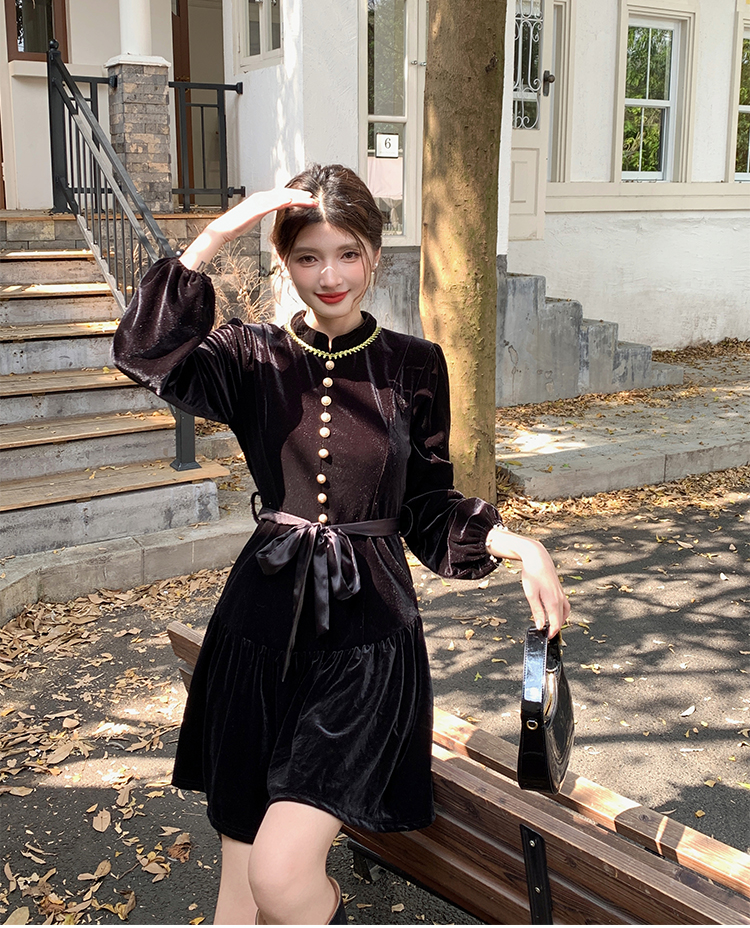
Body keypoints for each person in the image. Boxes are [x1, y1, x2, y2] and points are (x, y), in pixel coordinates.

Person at [113, 164, 570, 926]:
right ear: (284, 261)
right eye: (308, 257)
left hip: (366, 649)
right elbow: (144, 353)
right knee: (237, 898)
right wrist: (215, 236)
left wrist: (514, 542)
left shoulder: (415, 365)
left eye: (348, 253)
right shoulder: (250, 356)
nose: (330, 276)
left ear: (375, 255)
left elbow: (424, 505)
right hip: (256, 635)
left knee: (281, 879)